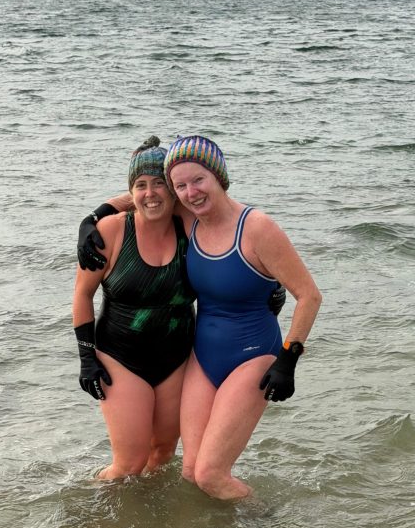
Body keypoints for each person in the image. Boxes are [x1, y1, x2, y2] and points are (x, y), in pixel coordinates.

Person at [77, 135, 321, 501]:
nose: (190, 192)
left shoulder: (239, 225)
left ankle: (268, 525)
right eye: (183, 185)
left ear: (219, 176)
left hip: (244, 355)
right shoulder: (185, 218)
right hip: (197, 357)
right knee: (187, 471)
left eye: (199, 180)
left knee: (208, 474)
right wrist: (94, 217)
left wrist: (290, 357)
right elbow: (143, 193)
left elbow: (310, 295)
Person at [72, 137, 195, 480]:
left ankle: (149, 524)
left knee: (164, 452)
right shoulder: (110, 231)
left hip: (177, 358)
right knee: (128, 464)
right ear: (130, 191)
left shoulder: (190, 226)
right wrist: (86, 358)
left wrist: (268, 284)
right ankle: (97, 514)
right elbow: (83, 296)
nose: (150, 193)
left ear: (173, 191)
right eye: (141, 185)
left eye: (159, 184)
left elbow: (235, 235)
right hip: (120, 357)